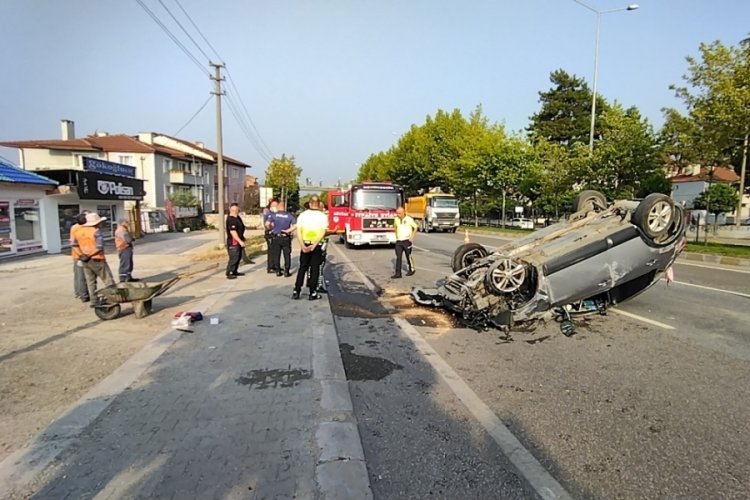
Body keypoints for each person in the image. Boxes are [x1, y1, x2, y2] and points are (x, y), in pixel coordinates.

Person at [72, 212, 115, 303]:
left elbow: (74, 245)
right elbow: (99, 247)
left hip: (85, 261)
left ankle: (94, 300)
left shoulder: (78, 231)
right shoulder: (96, 231)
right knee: (108, 279)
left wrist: (81, 255)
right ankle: (113, 298)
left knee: (90, 282)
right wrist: (90, 255)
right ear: (96, 223)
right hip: (97, 259)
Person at [293, 196, 328, 300]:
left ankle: (297, 290)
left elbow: (298, 231)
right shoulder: (322, 216)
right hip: (316, 246)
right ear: (318, 204)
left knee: (302, 268)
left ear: (309, 203)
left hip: (305, 244)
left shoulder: (302, 215)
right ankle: (312, 292)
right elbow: (323, 231)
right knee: (314, 269)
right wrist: (314, 245)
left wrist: (302, 246)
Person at [268, 201, 296, 277]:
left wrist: (271, 228)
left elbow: (268, 224)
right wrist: (288, 231)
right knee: (287, 255)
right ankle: (286, 271)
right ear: (284, 207)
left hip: (276, 237)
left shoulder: (273, 215)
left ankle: (278, 271)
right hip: (285, 237)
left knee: (276, 254)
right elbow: (295, 226)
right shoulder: (289, 216)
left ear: (277, 207)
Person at [392, 206, 418, 278]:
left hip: (407, 241)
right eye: (397, 213)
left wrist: (412, 236)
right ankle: (398, 273)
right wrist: (396, 235)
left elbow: (415, 227)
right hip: (399, 241)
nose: (398, 215)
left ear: (403, 212)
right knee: (398, 257)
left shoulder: (409, 219)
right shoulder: (396, 219)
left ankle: (411, 269)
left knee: (408, 256)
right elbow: (395, 227)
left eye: (400, 213)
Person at [70, 212, 89, 302]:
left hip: (79, 255)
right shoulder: (78, 228)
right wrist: (81, 255)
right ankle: (83, 295)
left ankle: (79, 292)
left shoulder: (76, 227)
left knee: (78, 276)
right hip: (80, 256)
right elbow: (74, 243)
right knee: (81, 276)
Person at [225, 203, 246, 279]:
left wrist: (242, 238)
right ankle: (230, 272)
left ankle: (234, 271)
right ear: (232, 210)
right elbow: (233, 232)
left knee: (239, 256)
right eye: (235, 210)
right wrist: (240, 241)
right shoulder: (231, 219)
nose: (237, 211)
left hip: (238, 240)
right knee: (234, 257)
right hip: (234, 242)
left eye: (237, 209)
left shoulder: (237, 218)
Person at [263, 199, 279, 274]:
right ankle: (270, 267)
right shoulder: (268, 213)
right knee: (271, 251)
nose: (275, 207)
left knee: (276, 251)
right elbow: (266, 224)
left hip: (276, 233)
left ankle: (276, 265)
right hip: (270, 233)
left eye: (276, 205)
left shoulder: (277, 213)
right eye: (273, 205)